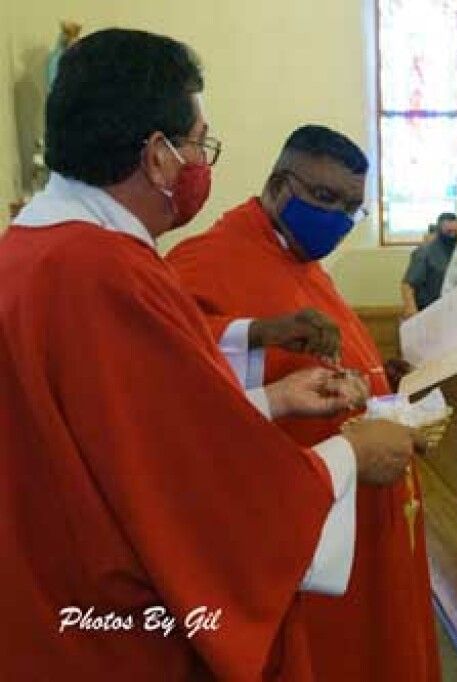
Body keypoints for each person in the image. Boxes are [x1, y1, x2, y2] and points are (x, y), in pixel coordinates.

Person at [0, 29, 423, 681]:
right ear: (159, 156)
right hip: (111, 635)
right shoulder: (104, 272)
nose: (205, 162)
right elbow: (197, 495)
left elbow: (137, 437)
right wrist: (349, 456)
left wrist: (273, 397)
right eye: (201, 142)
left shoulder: (30, 250)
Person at [167, 125, 440, 681]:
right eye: (325, 198)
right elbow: (174, 373)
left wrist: (384, 382)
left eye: (352, 208)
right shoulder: (206, 259)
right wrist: (261, 332)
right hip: (302, 529)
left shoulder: (301, 261)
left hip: (361, 508)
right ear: (277, 186)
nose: (337, 218)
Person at [401, 212, 457, 318]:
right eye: (449, 232)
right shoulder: (425, 252)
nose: (452, 235)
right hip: (429, 312)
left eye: (455, 232)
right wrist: (412, 310)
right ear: (439, 230)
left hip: (454, 311)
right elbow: (408, 285)